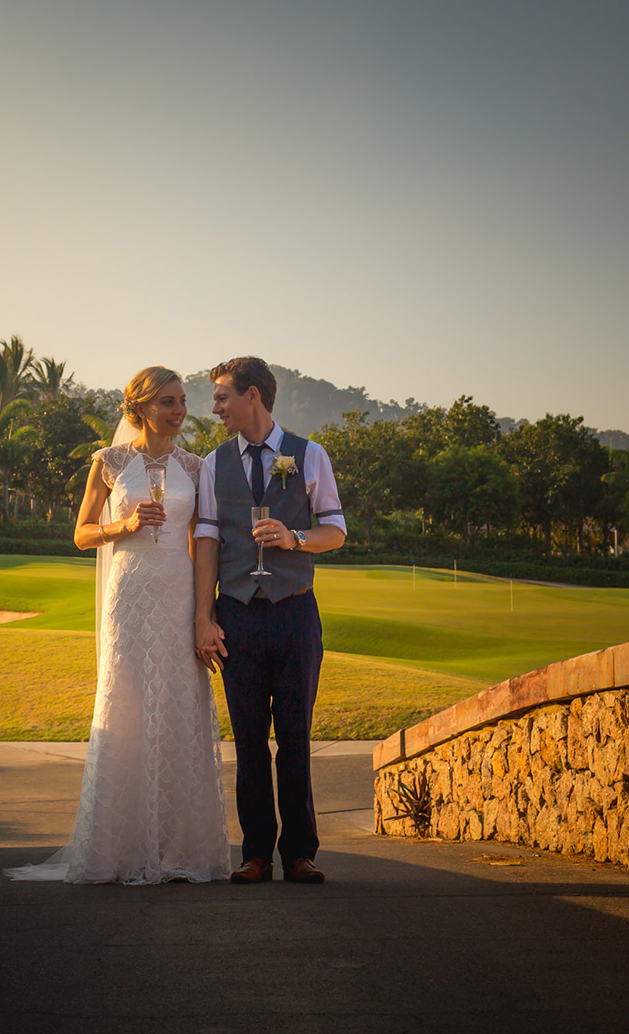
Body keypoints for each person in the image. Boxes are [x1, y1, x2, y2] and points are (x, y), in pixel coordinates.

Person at [5, 366, 231, 884]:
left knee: (178, 705)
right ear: (141, 408)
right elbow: (82, 534)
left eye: (181, 402)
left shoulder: (196, 467)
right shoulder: (109, 462)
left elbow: (203, 545)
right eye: (168, 403)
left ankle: (178, 848)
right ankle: (118, 848)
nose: (179, 412)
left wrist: (204, 614)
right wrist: (123, 526)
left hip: (177, 592)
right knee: (126, 704)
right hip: (128, 596)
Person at [192, 356, 346, 884]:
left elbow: (336, 531)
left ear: (252, 395)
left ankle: (300, 852)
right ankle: (255, 852)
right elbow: (207, 540)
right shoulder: (212, 464)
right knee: (250, 737)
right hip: (236, 612)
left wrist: (295, 538)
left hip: (295, 611)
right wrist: (203, 616)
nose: (215, 407)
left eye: (221, 397)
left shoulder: (310, 455)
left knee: (297, 734)